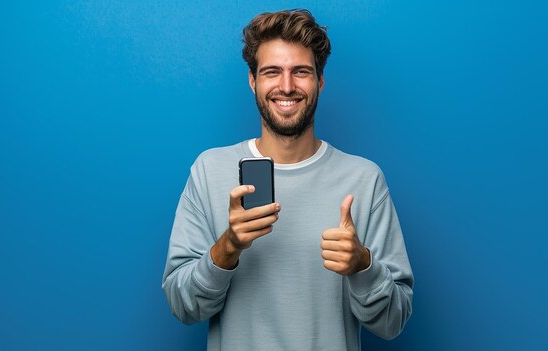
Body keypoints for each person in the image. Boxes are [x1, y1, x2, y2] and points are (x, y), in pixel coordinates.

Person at [162, 9, 413, 350]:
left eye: (301, 72)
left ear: (320, 81)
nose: (286, 86)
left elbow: (393, 323)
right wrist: (227, 248)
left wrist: (363, 266)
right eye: (271, 72)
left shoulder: (364, 180)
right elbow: (183, 307)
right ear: (253, 81)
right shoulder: (209, 172)